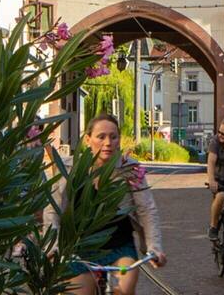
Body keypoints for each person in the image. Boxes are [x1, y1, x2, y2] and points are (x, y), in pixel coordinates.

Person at [51, 115, 166, 295]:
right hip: (78, 249)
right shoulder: (69, 169)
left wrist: (154, 247)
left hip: (119, 246)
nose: (108, 143)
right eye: (101, 137)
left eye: (113, 137)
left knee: (123, 290)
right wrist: (52, 246)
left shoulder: (130, 169)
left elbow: (146, 208)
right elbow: (53, 210)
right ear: (88, 140)